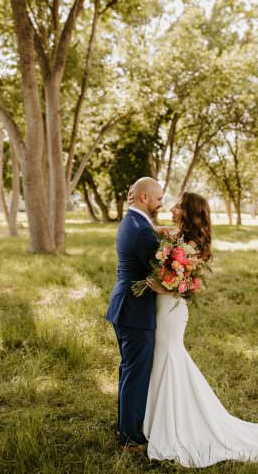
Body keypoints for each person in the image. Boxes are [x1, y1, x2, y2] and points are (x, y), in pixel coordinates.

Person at [142, 191, 258, 471]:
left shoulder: (191, 245)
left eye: (179, 206)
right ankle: (159, 418)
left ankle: (175, 424)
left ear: (190, 212)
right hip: (164, 308)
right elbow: (152, 231)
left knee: (170, 357)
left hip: (171, 310)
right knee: (165, 359)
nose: (173, 208)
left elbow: (183, 283)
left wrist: (154, 284)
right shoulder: (178, 238)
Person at [104, 177, 164, 450]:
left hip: (125, 306)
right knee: (135, 373)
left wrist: (162, 233)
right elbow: (160, 270)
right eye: (158, 198)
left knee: (129, 370)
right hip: (135, 310)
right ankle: (130, 438)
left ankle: (126, 426)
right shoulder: (141, 230)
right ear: (144, 198)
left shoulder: (133, 222)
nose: (161, 203)